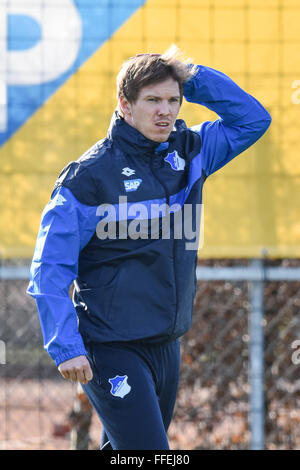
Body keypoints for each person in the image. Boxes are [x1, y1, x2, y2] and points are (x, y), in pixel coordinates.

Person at [27, 45, 271, 450]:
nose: (166, 111)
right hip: (109, 347)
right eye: (153, 100)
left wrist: (192, 77)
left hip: (165, 343)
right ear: (124, 104)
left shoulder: (191, 152)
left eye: (173, 100)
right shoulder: (87, 178)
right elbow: (49, 269)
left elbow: (252, 120)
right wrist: (66, 346)